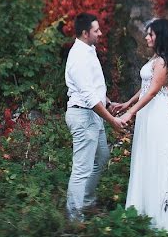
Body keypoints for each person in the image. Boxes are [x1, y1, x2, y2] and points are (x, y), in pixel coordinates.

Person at [112, 17, 168, 234]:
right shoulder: (155, 59)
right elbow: (145, 87)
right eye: (147, 33)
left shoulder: (164, 62)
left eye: (150, 34)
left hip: (157, 116)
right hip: (146, 114)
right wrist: (127, 103)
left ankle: (160, 209)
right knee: (144, 155)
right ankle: (142, 205)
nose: (146, 37)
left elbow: (154, 91)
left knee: (156, 156)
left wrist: (130, 112)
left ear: (160, 36)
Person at [64, 12, 126, 222]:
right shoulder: (78, 58)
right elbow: (89, 98)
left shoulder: (89, 49)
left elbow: (92, 87)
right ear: (84, 33)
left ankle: (87, 202)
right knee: (82, 168)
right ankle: (74, 220)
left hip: (93, 115)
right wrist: (112, 120)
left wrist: (108, 102)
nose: (100, 33)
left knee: (102, 157)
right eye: (96, 30)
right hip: (83, 116)